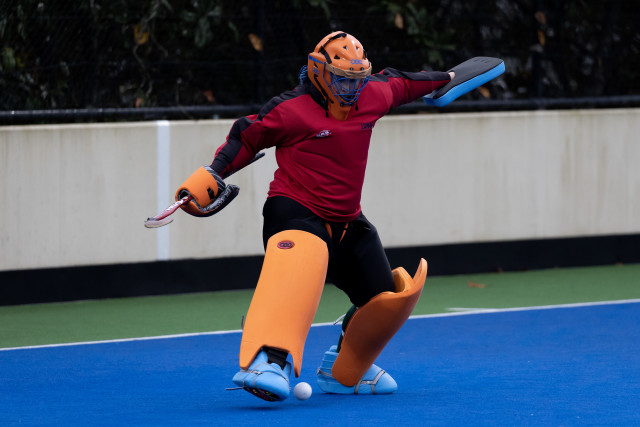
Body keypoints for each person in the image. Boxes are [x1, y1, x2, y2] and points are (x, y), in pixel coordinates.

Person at [174, 31, 454, 402]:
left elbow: (405, 83)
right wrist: (213, 173)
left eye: (357, 79)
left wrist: (450, 78)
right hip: (294, 210)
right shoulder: (291, 109)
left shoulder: (373, 94)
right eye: (342, 79)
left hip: (347, 221)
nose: (351, 88)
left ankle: (344, 368)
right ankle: (267, 361)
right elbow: (247, 135)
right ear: (319, 71)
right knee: (299, 268)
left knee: (386, 299)